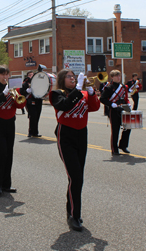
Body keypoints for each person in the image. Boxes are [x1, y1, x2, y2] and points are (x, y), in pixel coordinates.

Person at [49, 69, 100, 232]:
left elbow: (95, 107)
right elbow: (65, 104)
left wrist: (91, 92)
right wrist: (78, 87)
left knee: (78, 178)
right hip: (66, 137)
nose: (72, 79)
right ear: (63, 79)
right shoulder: (57, 93)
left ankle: (72, 212)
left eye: (74, 77)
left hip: (81, 136)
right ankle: (73, 215)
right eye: (69, 77)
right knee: (75, 177)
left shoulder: (83, 93)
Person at [0, 65, 27, 195]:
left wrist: (25, 94)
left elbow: (20, 105)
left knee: (9, 154)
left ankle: (6, 184)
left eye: (7, 74)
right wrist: (3, 94)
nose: (5, 77)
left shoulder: (13, 88)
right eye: (2, 74)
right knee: (1, 153)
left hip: (10, 123)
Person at [100, 70, 132, 155]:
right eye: (116, 76)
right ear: (112, 77)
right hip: (113, 110)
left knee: (128, 127)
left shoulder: (124, 87)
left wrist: (128, 104)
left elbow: (126, 98)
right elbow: (102, 99)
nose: (118, 78)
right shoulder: (109, 88)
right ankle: (114, 149)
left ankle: (123, 145)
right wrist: (111, 104)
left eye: (119, 76)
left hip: (123, 109)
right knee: (115, 130)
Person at [20, 70, 43, 137]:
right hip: (30, 101)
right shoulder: (25, 83)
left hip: (38, 100)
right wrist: (27, 91)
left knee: (37, 117)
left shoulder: (38, 82)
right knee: (32, 117)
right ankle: (30, 132)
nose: (31, 76)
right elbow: (21, 92)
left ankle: (35, 132)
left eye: (32, 75)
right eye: (30, 75)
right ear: (27, 76)